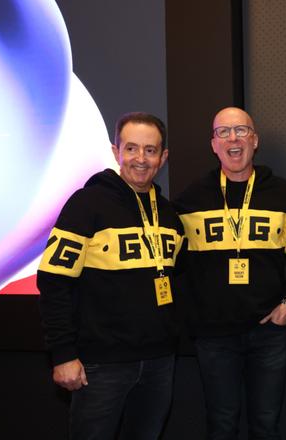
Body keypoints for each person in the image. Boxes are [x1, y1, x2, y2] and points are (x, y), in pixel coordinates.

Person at [37, 112, 184, 439]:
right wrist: (63, 354)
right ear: (116, 152)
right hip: (101, 366)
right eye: (132, 149)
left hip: (159, 362)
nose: (141, 159)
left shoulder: (170, 216)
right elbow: (54, 282)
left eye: (150, 150)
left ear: (163, 157)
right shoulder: (86, 205)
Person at [175, 106, 286, 440]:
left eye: (241, 130)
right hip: (214, 337)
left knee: (266, 424)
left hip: (267, 333)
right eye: (223, 132)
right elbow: (171, 263)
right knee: (221, 424)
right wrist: (192, 313)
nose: (233, 138)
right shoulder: (191, 199)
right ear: (213, 144)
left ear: (255, 140)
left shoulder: (281, 193)